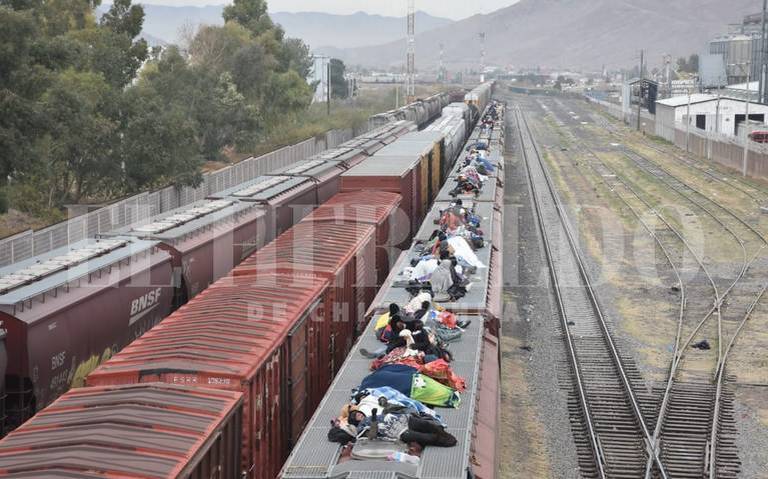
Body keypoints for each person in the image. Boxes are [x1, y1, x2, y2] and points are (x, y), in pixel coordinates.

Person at [347, 409, 457, 448]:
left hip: (404, 420)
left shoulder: (371, 416)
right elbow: (372, 435)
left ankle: (446, 436)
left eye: (358, 413)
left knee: (428, 425)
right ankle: (446, 441)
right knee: (426, 437)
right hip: (398, 432)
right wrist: (374, 421)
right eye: (356, 416)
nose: (359, 415)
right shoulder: (361, 427)